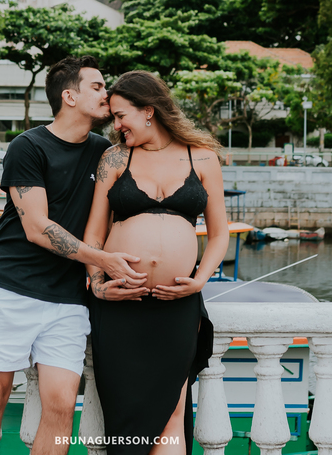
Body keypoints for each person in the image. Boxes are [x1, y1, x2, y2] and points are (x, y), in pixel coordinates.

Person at [0, 56, 147, 455]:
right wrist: (104, 261)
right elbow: (37, 227)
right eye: (97, 87)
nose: (107, 93)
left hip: (67, 298)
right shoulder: (28, 146)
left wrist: (101, 278)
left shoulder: (105, 152)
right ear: (69, 96)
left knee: (63, 406)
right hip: (8, 288)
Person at [83, 70, 230, 455]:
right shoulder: (115, 157)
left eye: (121, 116)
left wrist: (200, 281)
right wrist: (98, 284)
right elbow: (94, 234)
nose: (115, 125)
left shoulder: (202, 157)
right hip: (120, 305)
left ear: (148, 110)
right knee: (125, 415)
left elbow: (219, 234)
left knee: (172, 410)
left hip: (176, 305)